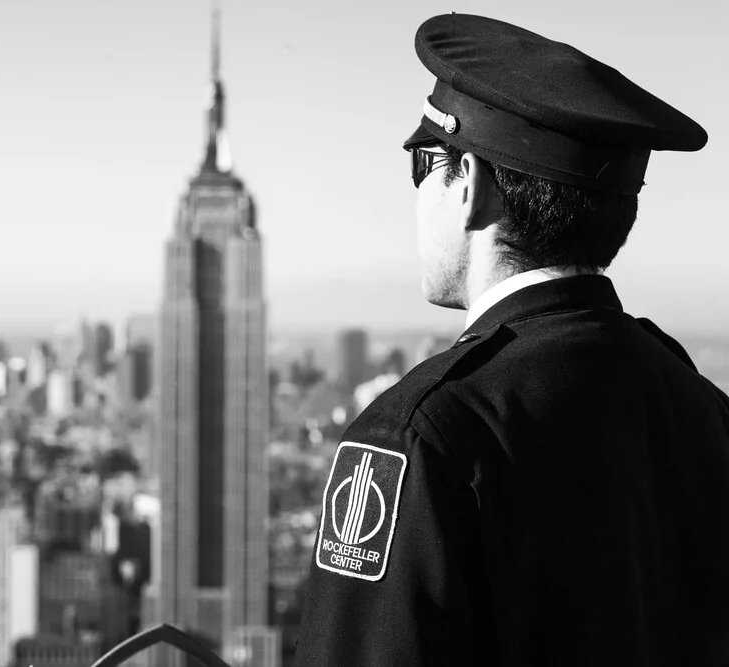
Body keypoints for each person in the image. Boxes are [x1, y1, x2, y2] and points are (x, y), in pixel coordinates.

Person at [295, 13, 729, 666]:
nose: (415, 197)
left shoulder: (423, 436)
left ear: (467, 183)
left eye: (423, 163)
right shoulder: (702, 407)